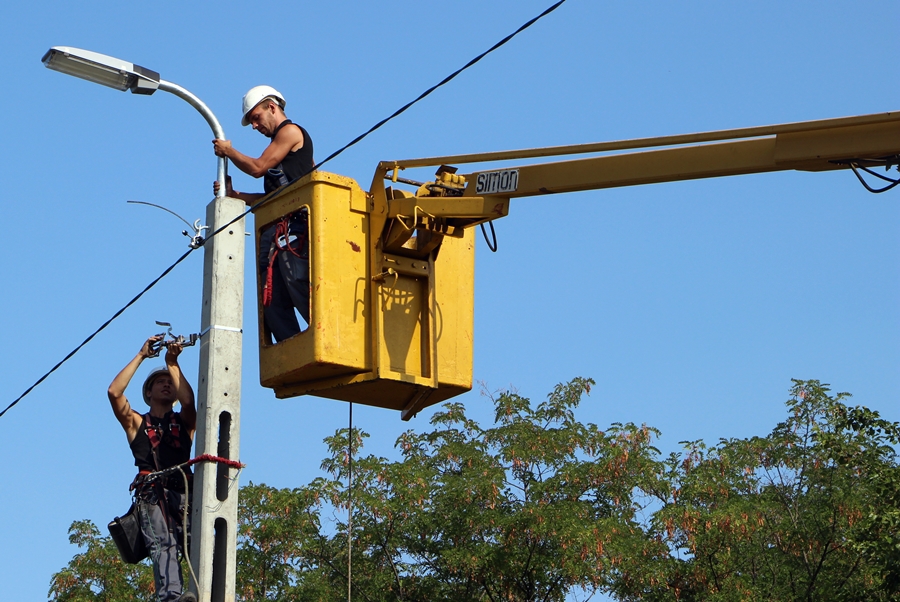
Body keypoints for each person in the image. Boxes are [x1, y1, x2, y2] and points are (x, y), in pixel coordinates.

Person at [212, 85, 315, 343]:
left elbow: (258, 168)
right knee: (272, 301)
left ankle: (321, 337)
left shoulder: (290, 132)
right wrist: (237, 196)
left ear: (272, 107)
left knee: (297, 283)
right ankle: (294, 351)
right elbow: (272, 198)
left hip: (293, 232)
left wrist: (229, 151)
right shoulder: (279, 149)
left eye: (256, 118)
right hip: (276, 233)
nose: (255, 126)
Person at [108, 335, 197, 602]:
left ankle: (207, 591)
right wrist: (142, 355)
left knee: (197, 541)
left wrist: (172, 363)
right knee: (165, 545)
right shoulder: (136, 422)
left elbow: (190, 402)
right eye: (161, 382)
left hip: (184, 495)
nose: (167, 385)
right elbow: (114, 392)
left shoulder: (184, 421)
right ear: (148, 392)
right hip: (153, 496)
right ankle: (170, 598)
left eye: (170, 382)